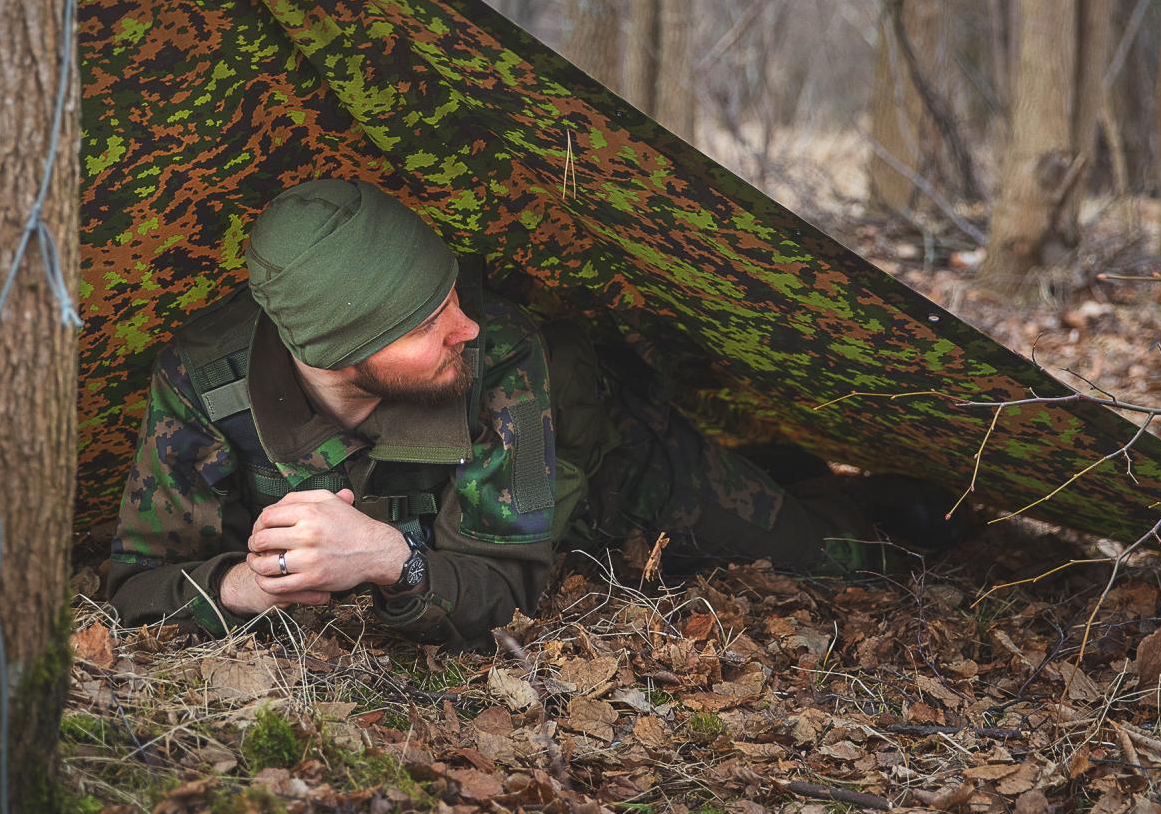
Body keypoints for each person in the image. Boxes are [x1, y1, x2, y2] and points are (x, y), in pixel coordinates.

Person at [102, 178, 955, 646]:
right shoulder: (200, 382)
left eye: (451, 294)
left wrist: (391, 562)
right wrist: (250, 584)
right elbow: (135, 582)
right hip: (506, 496)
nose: (462, 324)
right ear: (335, 352)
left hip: (617, 462)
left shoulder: (502, 351)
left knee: (832, 561)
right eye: (424, 322)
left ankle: (865, 499)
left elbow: (509, 582)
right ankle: (792, 474)